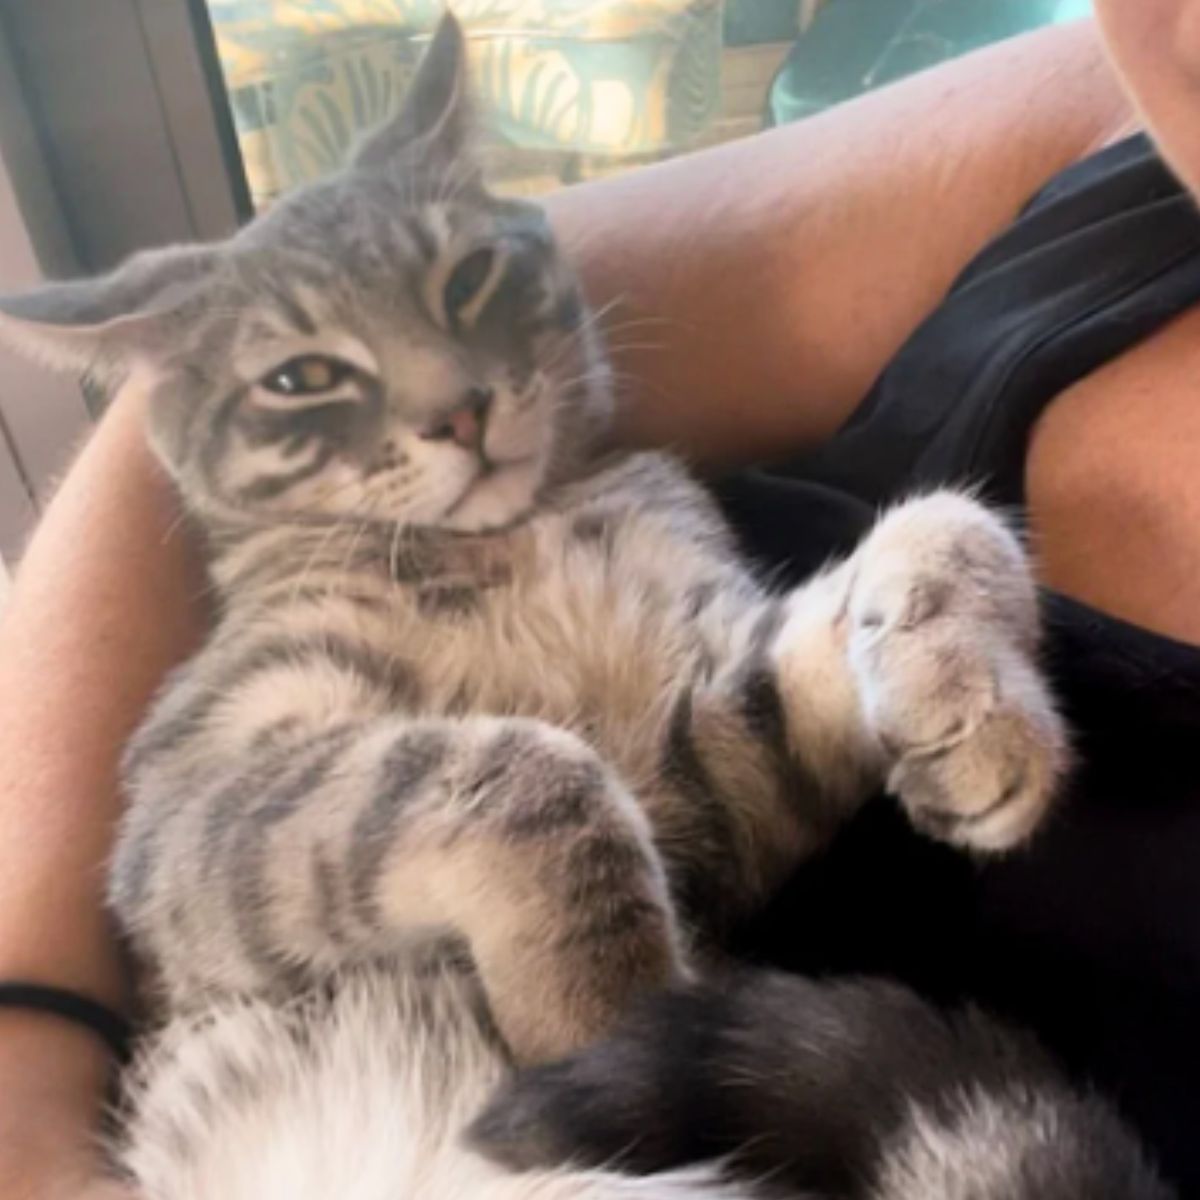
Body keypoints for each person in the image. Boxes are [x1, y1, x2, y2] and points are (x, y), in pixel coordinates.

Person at [2, 6, 1199, 1197]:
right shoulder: (304, 586)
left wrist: (932, 580)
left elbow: (719, 810)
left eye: (466, 288)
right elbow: (176, 868)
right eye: (310, 379)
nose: (446, 406)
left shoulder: (639, 504)